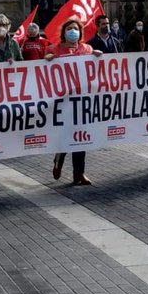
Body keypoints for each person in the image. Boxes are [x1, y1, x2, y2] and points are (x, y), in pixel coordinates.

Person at [46, 18, 99, 186]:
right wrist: (46, 59)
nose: (72, 31)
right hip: (62, 101)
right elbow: (43, 70)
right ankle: (59, 157)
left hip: (82, 100)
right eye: (69, 28)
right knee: (65, 136)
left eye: (75, 28)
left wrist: (96, 56)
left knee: (80, 137)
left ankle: (79, 173)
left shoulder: (86, 49)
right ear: (64, 32)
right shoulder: (54, 49)